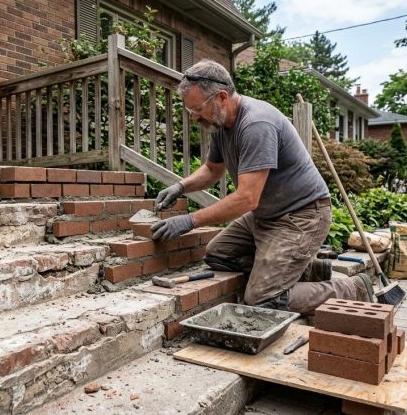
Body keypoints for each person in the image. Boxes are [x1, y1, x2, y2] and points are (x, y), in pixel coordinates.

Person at [150, 59, 373, 315]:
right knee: (218, 256)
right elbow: (212, 170)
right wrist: (181, 187)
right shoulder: (221, 125)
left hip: (301, 216)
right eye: (190, 110)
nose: (194, 116)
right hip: (267, 215)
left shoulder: (256, 124)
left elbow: (247, 199)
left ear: (222, 97)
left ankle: (352, 288)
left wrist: (189, 221)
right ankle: (310, 270)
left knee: (263, 300)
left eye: (198, 109)